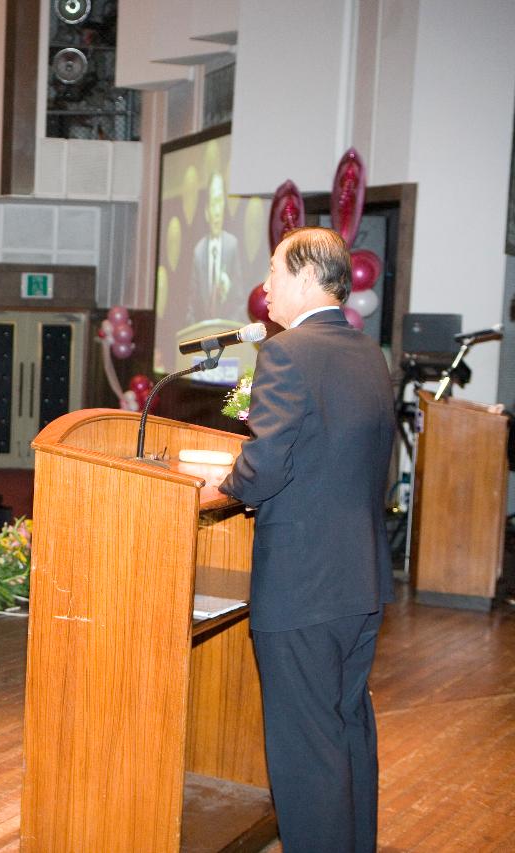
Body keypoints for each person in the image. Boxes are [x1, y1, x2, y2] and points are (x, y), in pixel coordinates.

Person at [216, 227, 394, 853]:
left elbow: (265, 468)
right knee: (347, 732)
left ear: (309, 276)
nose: (265, 285)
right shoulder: (369, 354)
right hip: (362, 581)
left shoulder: (289, 352)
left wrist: (226, 481)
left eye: (273, 270)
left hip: (303, 587)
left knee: (305, 752)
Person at [191, 171, 243, 323]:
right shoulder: (198, 251)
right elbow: (192, 306)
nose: (217, 211)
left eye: (220, 202)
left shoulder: (232, 245)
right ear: (207, 211)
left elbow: (239, 301)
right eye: (214, 203)